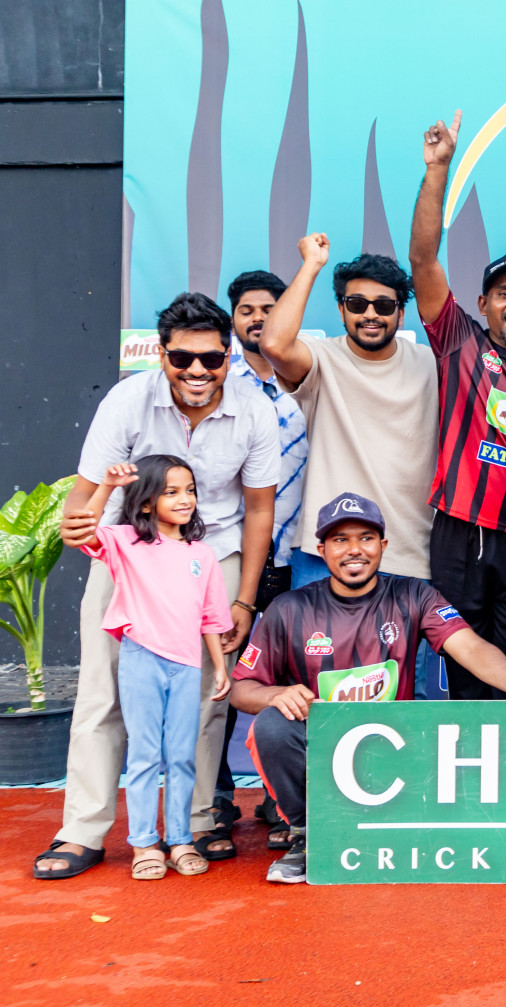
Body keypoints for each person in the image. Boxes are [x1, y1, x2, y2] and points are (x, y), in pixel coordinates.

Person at [35, 293, 278, 880]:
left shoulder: (254, 411)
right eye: (182, 358)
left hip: (209, 557)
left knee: (203, 700)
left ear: (228, 355)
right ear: (162, 354)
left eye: (212, 359)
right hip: (126, 555)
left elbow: (259, 512)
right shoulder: (127, 400)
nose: (197, 371)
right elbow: (86, 490)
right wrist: (79, 523)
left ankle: (193, 822)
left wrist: (243, 599)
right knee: (103, 694)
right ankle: (84, 829)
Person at [231, 493, 506, 883]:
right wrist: (274, 694)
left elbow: (470, 647)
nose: (355, 550)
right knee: (270, 725)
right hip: (322, 752)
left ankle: (394, 830)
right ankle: (310, 835)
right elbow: (241, 689)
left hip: (395, 750)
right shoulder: (289, 608)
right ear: (321, 549)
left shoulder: (413, 595)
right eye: (340, 540)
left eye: (366, 538)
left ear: (384, 546)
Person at [408, 110, 506, 700]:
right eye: (505, 294)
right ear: (484, 302)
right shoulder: (459, 342)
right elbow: (424, 262)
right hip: (459, 529)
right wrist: (438, 170)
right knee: (463, 668)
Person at [257, 236, 443, 697]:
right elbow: (275, 343)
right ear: (341, 309)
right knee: (317, 699)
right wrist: (312, 265)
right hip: (325, 557)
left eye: (385, 304)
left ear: (402, 313)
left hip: (408, 557)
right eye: (357, 303)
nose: (371, 314)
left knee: (407, 703)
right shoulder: (323, 359)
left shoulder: (432, 363)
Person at [70, 457, 233, 880]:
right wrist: (106, 485)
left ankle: (179, 840)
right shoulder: (124, 541)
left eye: (190, 490)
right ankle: (144, 843)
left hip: (186, 665)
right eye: (172, 491)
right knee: (144, 756)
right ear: (145, 504)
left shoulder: (203, 555)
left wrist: (219, 668)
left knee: (181, 756)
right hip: (141, 660)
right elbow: (84, 531)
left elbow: (211, 618)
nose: (185, 500)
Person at [222, 268, 309, 851]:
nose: (258, 318)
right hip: (232, 557)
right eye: (247, 309)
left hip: (293, 556)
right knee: (226, 681)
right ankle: (218, 797)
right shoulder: (214, 381)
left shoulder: (302, 375)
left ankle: (284, 805)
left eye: (268, 308)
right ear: (232, 318)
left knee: (291, 682)